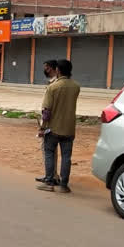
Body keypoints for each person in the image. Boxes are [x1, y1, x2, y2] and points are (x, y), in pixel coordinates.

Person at [37, 59, 80, 193]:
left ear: (58, 70)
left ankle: (49, 182)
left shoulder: (53, 87)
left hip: (54, 128)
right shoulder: (76, 86)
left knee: (49, 153)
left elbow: (46, 111)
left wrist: (42, 128)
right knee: (66, 157)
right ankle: (64, 185)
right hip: (69, 127)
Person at [36, 60, 60, 185]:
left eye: (46, 68)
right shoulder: (57, 83)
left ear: (52, 69)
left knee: (48, 150)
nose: (45, 70)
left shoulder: (54, 85)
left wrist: (43, 127)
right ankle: (53, 175)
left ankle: (50, 177)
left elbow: (48, 108)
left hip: (50, 123)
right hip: (58, 122)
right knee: (54, 151)